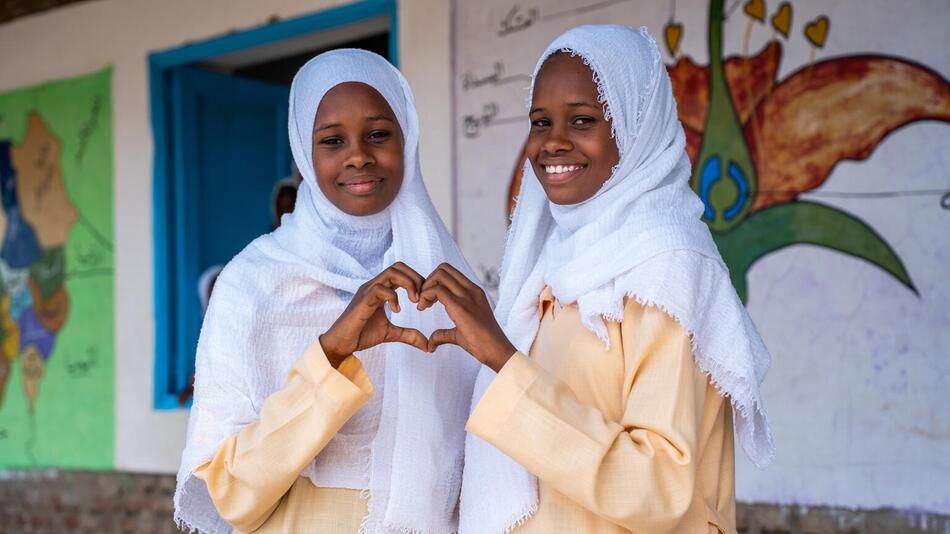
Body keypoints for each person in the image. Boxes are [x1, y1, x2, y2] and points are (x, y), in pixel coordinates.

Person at [417, 25, 774, 533]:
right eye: (540, 122)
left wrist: (503, 360)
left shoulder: (665, 271)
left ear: (636, 126)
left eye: (582, 119)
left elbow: (660, 486)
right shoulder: (549, 270)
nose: (552, 143)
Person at [174, 49, 480, 534]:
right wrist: (332, 353)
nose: (358, 155)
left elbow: (481, 466)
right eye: (332, 140)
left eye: (379, 134)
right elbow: (227, 490)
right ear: (302, 152)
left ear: (409, 139)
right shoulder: (253, 284)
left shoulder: (449, 284)